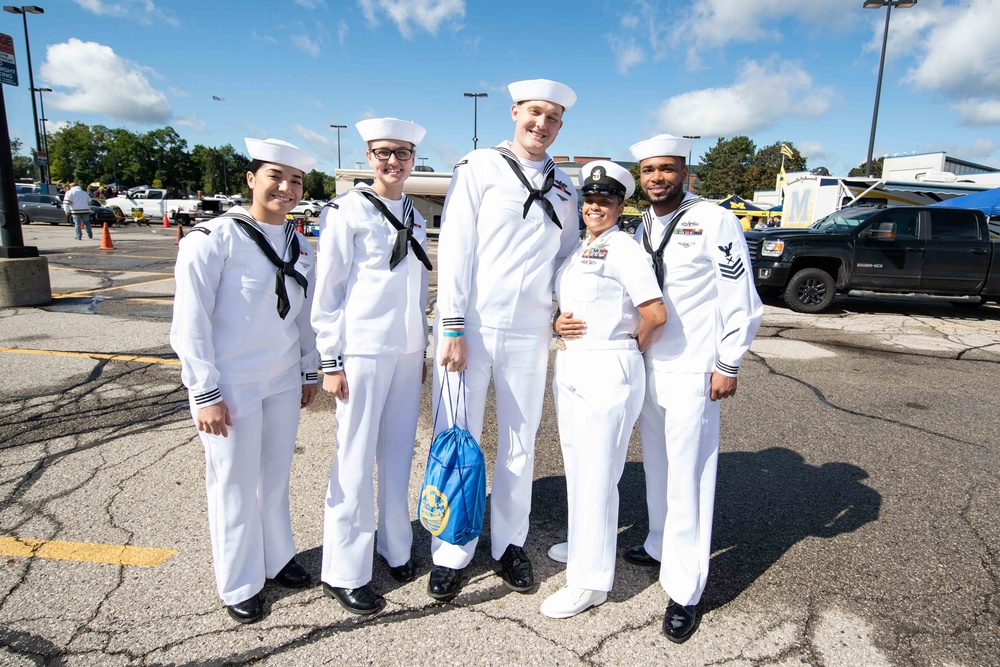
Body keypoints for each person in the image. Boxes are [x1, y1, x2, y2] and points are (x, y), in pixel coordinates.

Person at [432, 78, 580, 601]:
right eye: (534, 112)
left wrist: (564, 308)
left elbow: (568, 256)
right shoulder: (478, 167)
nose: (542, 124)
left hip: (529, 329)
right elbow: (455, 247)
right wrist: (452, 324)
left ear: (560, 125)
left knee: (520, 440)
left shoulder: (566, 188)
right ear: (515, 111)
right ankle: (451, 550)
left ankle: (509, 544)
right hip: (471, 325)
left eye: (553, 117)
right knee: (457, 436)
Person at [170, 138, 320, 625]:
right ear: (251, 179)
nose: (286, 188)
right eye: (275, 176)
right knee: (233, 483)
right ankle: (239, 581)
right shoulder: (213, 239)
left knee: (274, 477)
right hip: (231, 383)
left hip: (281, 378)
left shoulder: (300, 245)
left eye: (296, 181)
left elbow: (304, 316)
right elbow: (190, 323)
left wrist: (308, 369)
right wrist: (204, 392)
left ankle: (277, 557)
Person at [627, 134, 763, 642]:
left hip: (693, 369)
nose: (657, 178)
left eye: (667, 168)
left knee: (690, 478)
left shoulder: (714, 219)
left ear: (685, 172)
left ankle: (685, 589)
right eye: (648, 170)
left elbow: (740, 296)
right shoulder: (642, 224)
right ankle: (660, 543)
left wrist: (728, 362)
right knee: (658, 467)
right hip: (649, 365)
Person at [311, 118, 431, 616]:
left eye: (402, 153)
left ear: (413, 158)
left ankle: (395, 547)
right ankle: (344, 571)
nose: (393, 161)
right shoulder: (347, 210)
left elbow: (417, 289)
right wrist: (330, 360)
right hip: (361, 351)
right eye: (384, 152)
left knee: (399, 455)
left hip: (405, 352)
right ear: (368, 157)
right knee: (355, 460)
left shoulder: (415, 214)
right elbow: (328, 291)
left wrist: (420, 349)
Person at [543, 161, 666, 618]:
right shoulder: (581, 248)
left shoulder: (625, 250)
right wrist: (557, 322)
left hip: (608, 365)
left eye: (605, 200)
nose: (595, 206)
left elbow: (655, 313)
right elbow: (570, 303)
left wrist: (626, 348)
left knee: (598, 473)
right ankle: (583, 544)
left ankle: (590, 582)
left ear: (620, 206)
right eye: (589, 200)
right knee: (577, 465)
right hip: (573, 362)